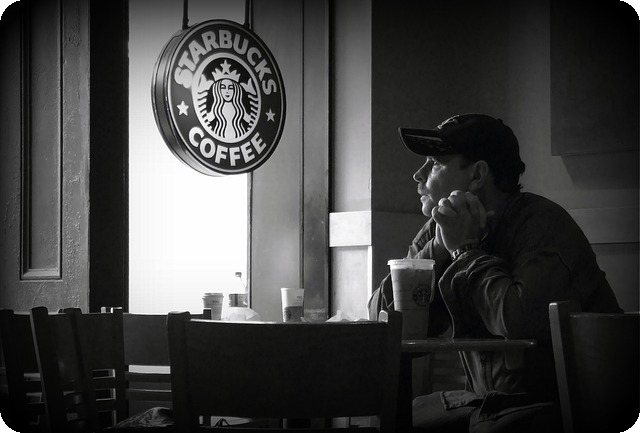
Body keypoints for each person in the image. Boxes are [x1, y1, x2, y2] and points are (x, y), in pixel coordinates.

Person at [368, 113, 622, 433]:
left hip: (566, 408)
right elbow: (381, 323)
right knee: (395, 422)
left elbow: (520, 320)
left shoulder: (542, 224)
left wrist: (465, 251)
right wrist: (441, 247)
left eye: (433, 163)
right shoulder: (441, 229)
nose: (417, 175)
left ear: (477, 174)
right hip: (489, 406)